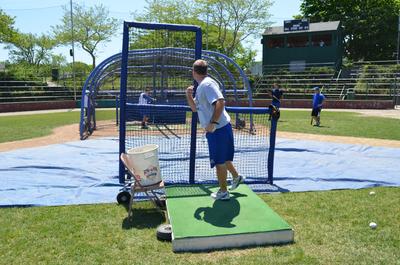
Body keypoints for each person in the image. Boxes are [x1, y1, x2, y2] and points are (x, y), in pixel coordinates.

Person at [186, 59, 244, 201]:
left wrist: (213, 122)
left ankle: (223, 192)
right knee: (223, 158)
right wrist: (188, 95)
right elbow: (194, 108)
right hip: (219, 129)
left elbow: (220, 101)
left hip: (218, 129)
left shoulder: (207, 84)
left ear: (194, 72)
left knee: (220, 162)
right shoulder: (202, 86)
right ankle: (236, 177)